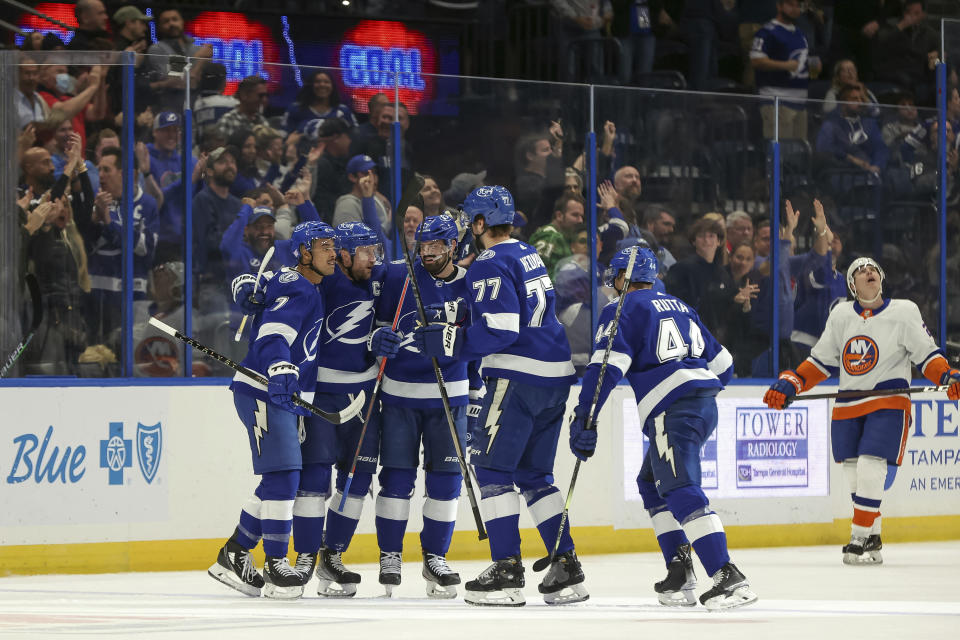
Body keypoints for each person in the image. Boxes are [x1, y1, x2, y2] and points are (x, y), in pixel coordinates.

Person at [412, 186, 587, 607]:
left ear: (478, 224)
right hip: (555, 376)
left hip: (518, 376)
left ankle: (506, 570)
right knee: (534, 477)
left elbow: (502, 327)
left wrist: (450, 340)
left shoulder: (490, 262)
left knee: (490, 470)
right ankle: (565, 567)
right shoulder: (526, 252)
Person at [569, 246, 757, 610]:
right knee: (652, 484)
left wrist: (584, 417)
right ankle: (680, 569)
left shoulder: (622, 308)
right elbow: (725, 365)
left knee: (678, 485)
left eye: (616, 278)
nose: (613, 286)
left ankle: (727, 574)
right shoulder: (682, 306)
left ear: (624, 277)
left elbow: (604, 367)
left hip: (672, 410)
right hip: (700, 403)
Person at [764, 257, 960, 564]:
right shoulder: (841, 314)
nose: (868, 273)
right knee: (854, 474)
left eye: (873, 270)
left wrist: (948, 375)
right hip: (848, 403)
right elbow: (822, 360)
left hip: (889, 401)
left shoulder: (904, 311)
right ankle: (874, 537)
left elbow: (926, 355)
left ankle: (857, 536)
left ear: (880, 278)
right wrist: (792, 383)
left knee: (871, 466)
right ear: (852, 286)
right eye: (859, 271)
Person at [208, 221, 339, 600]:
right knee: (284, 477)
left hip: (283, 393)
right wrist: (281, 366)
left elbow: (259, 283)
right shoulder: (299, 286)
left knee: (277, 481)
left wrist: (247, 285)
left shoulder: (301, 281)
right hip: (265, 389)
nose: (332, 252)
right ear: (304, 253)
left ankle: (234, 552)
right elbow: (273, 334)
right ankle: (276, 561)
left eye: (333, 245)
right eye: (324, 246)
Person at [292, 222, 397, 597]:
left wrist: (376, 341)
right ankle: (304, 557)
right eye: (367, 252)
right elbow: (289, 279)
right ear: (345, 255)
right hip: (321, 397)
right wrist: (251, 287)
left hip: (364, 397)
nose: (375, 259)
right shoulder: (325, 279)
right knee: (314, 480)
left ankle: (331, 556)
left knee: (358, 480)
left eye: (377, 251)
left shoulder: (378, 280)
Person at [374, 213, 470, 598]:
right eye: (423, 245)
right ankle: (390, 555)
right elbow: (374, 320)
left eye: (437, 246)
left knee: (446, 483)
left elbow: (478, 342)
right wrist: (378, 338)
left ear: (453, 247)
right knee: (397, 479)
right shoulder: (398, 275)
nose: (428, 252)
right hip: (400, 396)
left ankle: (435, 557)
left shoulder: (471, 283)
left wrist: (476, 395)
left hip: (452, 395)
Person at [751, 0, 821, 140]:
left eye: (798, 6)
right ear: (779, 6)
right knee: (779, 151)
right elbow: (756, 60)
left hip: (800, 102)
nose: (795, 9)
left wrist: (815, 68)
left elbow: (808, 61)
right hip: (776, 100)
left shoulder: (801, 33)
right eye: (790, 4)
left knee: (798, 152)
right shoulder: (767, 31)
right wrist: (786, 65)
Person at [528, 193, 586, 279]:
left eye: (581, 216)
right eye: (575, 215)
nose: (580, 220)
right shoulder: (550, 238)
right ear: (559, 216)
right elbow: (535, 276)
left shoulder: (564, 236)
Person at [283, 70, 358, 134]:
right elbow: (284, 136)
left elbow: (355, 136)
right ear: (311, 85)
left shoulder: (343, 110)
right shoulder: (295, 109)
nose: (322, 85)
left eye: (326, 82)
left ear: (332, 86)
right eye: (317, 82)